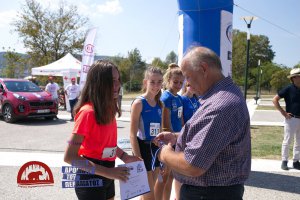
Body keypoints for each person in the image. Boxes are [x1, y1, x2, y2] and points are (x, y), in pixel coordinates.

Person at [155, 46, 251, 200]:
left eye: (188, 77)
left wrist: (164, 154)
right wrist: (177, 137)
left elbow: (193, 166)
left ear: (203, 69)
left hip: (207, 194)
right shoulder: (225, 95)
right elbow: (214, 138)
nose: (187, 84)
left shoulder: (220, 106)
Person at [64, 60, 140, 200]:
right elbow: (70, 157)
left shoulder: (107, 110)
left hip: (107, 174)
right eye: (112, 80)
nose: (117, 85)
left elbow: (106, 145)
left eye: (118, 80)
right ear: (99, 83)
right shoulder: (88, 113)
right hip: (90, 179)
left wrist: (124, 156)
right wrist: (108, 172)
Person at [130, 66, 163, 200]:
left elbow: (159, 131)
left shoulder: (159, 104)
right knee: (150, 196)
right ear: (145, 82)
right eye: (152, 82)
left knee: (146, 193)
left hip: (155, 150)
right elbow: (132, 134)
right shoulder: (139, 103)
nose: (156, 85)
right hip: (143, 149)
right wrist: (138, 158)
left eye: (159, 82)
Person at [158, 63, 184, 200]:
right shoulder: (166, 98)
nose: (178, 85)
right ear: (168, 81)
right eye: (175, 82)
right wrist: (170, 140)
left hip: (178, 139)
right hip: (169, 141)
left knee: (172, 176)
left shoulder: (179, 98)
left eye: (181, 82)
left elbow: (180, 120)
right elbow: (165, 123)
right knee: (164, 177)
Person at [272, 68, 300, 170]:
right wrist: (283, 112)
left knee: (299, 142)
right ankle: (284, 161)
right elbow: (275, 100)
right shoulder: (288, 89)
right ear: (294, 78)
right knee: (287, 141)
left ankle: (296, 161)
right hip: (291, 119)